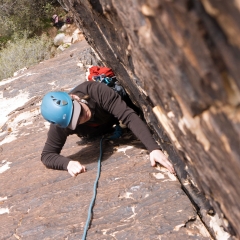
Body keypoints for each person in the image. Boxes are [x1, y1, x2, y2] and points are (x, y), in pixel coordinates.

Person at [41, 81, 175, 177]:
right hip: (97, 130)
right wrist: (67, 164)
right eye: (76, 121)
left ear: (74, 97)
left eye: (80, 111)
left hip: (114, 115)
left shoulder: (96, 91)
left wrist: (153, 149)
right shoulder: (61, 124)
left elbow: (128, 116)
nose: (83, 117)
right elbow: (47, 155)